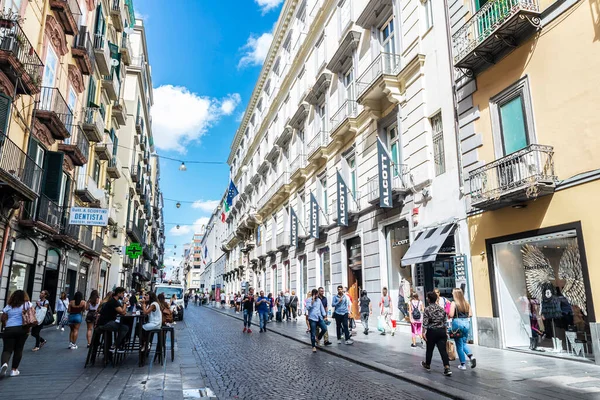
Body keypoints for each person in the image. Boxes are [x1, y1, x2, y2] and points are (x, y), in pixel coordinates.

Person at [1, 290, 32, 377]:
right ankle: (14, 370)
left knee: (7, 350)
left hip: (9, 329)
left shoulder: (9, 306)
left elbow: (3, 318)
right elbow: (32, 315)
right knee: (19, 349)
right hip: (22, 329)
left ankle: (4, 364)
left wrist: (5, 326)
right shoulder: (27, 304)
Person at [421, 291, 452, 376]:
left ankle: (427, 364)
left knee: (429, 349)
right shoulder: (441, 309)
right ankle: (447, 367)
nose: (427, 299)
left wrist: (423, 332)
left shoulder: (427, 309)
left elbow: (425, 322)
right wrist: (445, 332)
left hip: (432, 331)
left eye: (427, 298)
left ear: (429, 299)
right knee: (443, 350)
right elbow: (445, 322)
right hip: (441, 331)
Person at [449, 288, 476, 370]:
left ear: (455, 295)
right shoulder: (466, 303)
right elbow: (470, 314)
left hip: (457, 324)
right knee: (464, 343)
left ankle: (463, 364)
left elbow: (451, 314)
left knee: (459, 345)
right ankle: (471, 357)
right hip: (466, 324)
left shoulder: (454, 303)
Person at [96, 287, 129, 353]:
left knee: (124, 326)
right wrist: (125, 303)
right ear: (118, 293)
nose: (123, 295)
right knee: (125, 328)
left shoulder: (115, 301)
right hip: (106, 322)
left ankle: (115, 345)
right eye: (122, 293)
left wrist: (123, 306)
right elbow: (122, 312)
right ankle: (115, 346)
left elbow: (123, 311)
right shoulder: (113, 301)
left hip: (108, 321)